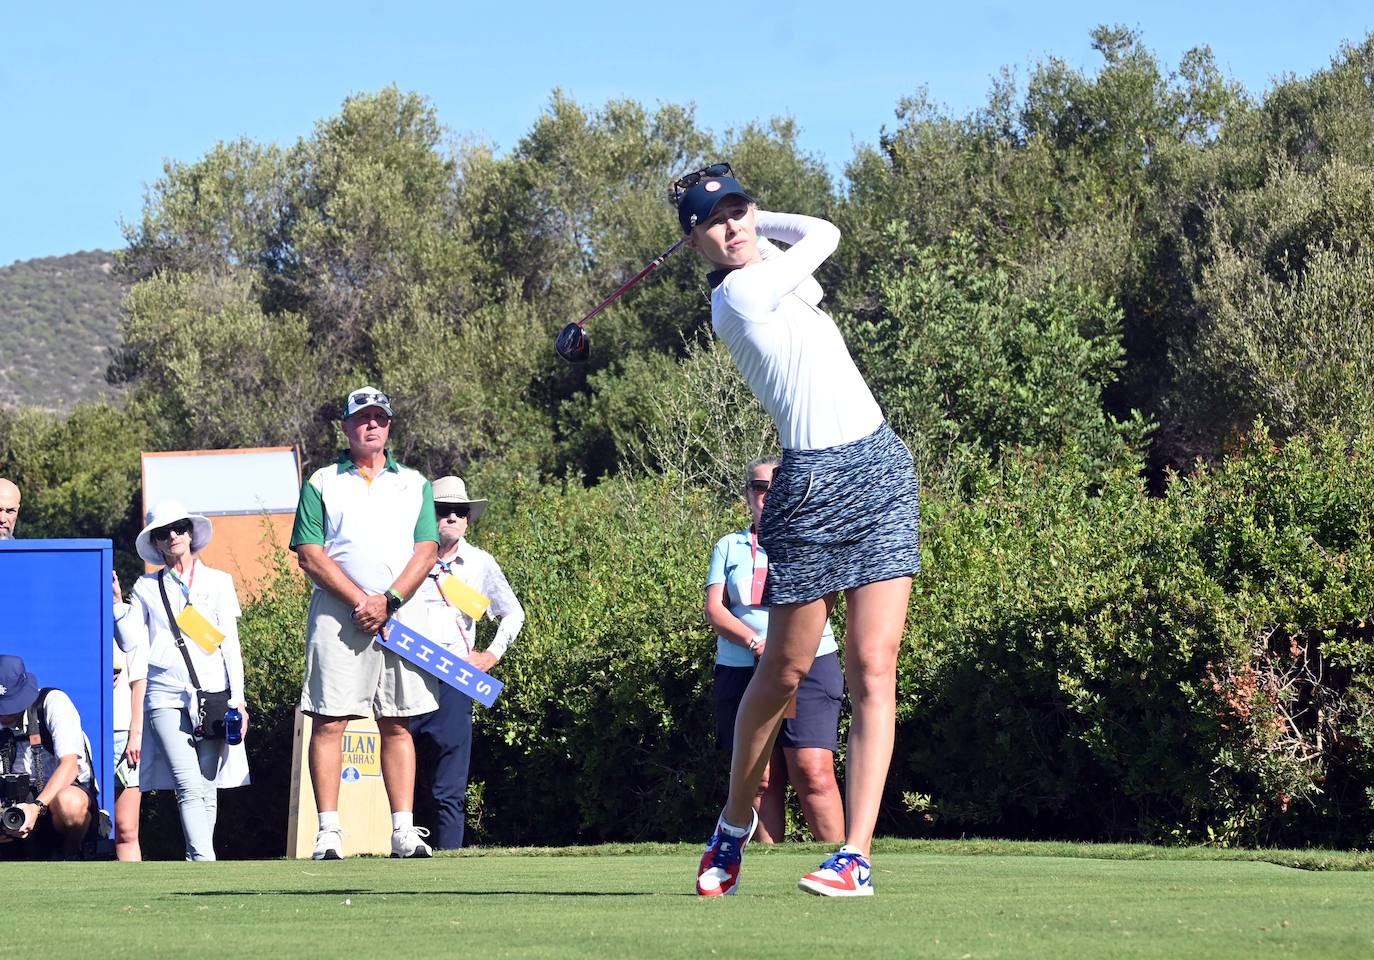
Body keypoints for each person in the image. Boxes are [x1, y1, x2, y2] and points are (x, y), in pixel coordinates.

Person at [678, 164, 921, 898]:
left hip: (880, 467)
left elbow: (810, 238)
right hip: (811, 485)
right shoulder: (739, 295)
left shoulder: (777, 274)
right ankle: (733, 822)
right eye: (713, 221)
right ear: (695, 242)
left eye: (738, 211)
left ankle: (855, 856)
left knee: (874, 665)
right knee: (783, 670)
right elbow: (825, 233)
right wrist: (756, 224)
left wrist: (752, 217)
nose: (732, 227)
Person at [291, 385, 440, 860]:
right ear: (346, 427)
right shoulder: (322, 482)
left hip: (400, 613)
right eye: (361, 418)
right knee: (329, 719)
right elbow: (310, 555)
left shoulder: (415, 483)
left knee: (397, 721)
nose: (371, 424)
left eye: (379, 417)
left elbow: (426, 551)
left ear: (389, 425)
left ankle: (403, 832)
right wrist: (362, 601)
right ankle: (328, 832)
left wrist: (389, 600)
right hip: (339, 614)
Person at [706, 456, 844, 846]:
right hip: (742, 667)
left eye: (776, 486)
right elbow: (716, 610)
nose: (767, 495)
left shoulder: (813, 539)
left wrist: (786, 646)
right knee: (759, 778)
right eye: (759, 487)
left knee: (812, 770)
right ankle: (768, 864)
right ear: (748, 493)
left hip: (810, 663)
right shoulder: (729, 546)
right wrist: (756, 642)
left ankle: (841, 860)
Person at [114, 500, 250, 861]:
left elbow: (230, 646)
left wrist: (238, 700)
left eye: (179, 528)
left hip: (213, 695)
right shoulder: (146, 586)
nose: (173, 536)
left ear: (190, 533)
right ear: (155, 542)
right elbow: (129, 641)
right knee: (188, 782)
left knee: (207, 784)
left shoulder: (218, 581)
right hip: (163, 693)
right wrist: (116, 605)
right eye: (163, 533)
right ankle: (205, 861)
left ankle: (197, 862)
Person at [412, 475, 525, 850]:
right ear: (428, 516)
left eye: (460, 512)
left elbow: (513, 613)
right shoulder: (404, 556)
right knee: (395, 780)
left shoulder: (480, 563)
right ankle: (391, 859)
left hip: (455, 679)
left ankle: (450, 865)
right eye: (443, 510)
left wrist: (492, 654)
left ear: (468, 519)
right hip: (404, 674)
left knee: (449, 787)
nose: (452, 518)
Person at [0, 654, 98, 860]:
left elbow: (69, 766)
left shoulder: (53, 703)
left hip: (57, 803)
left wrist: (36, 808)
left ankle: (71, 857)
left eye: (9, 705)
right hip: (14, 807)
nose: (4, 714)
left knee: (69, 803)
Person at [111, 630, 147, 861]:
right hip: (79, 734)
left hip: (122, 734)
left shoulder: (129, 622)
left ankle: (131, 882)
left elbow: (140, 679)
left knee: (126, 828)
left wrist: (136, 734)